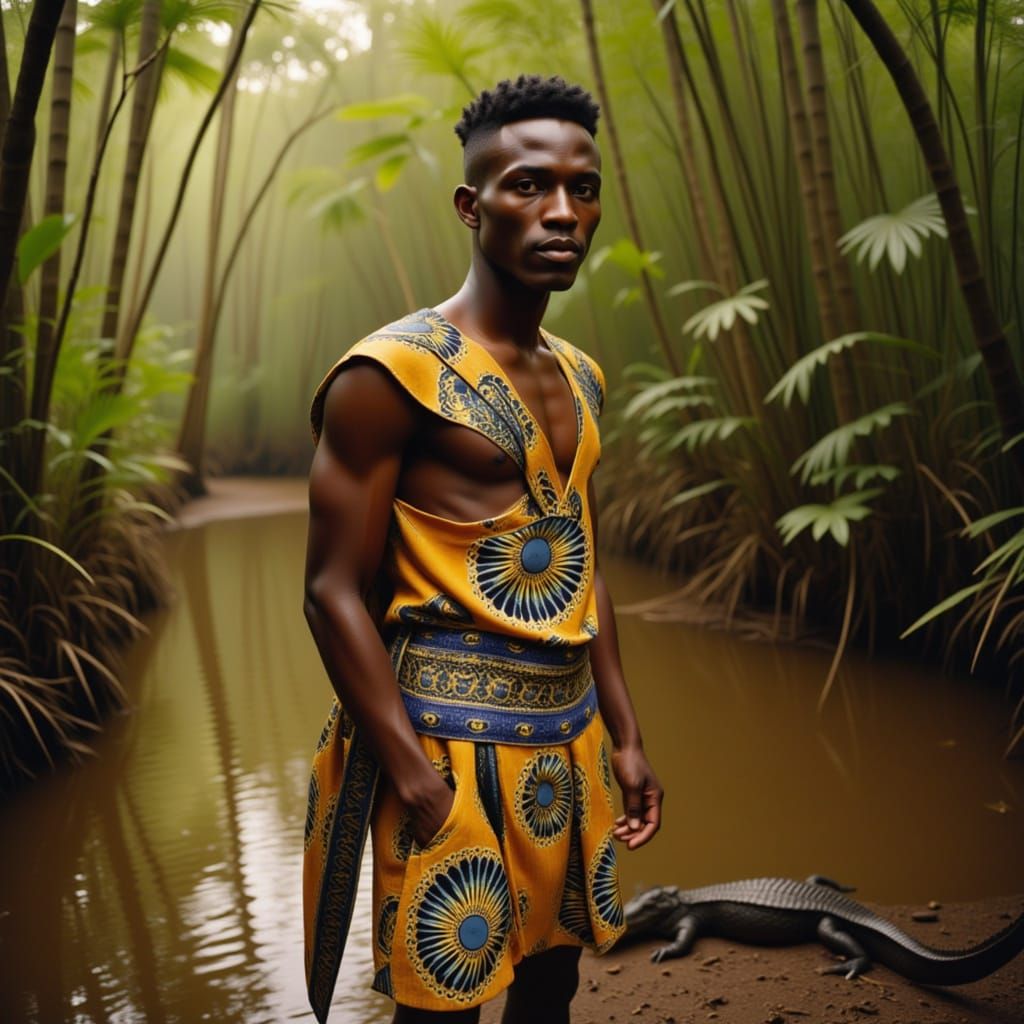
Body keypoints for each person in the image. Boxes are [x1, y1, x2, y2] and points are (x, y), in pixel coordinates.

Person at [301, 74, 663, 1024]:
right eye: (528, 186)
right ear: (472, 204)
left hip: (567, 739)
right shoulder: (389, 375)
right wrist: (414, 779)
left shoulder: (582, 375)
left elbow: (581, 563)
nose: (563, 213)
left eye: (583, 190)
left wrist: (624, 734)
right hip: (442, 744)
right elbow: (331, 591)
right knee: (444, 997)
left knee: (552, 985)